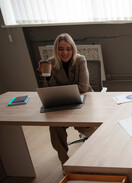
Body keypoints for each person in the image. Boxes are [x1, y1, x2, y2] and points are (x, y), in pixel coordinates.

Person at [37, 33, 96, 165]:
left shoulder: (80, 60)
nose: (64, 53)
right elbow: (49, 89)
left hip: (83, 101)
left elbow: (83, 87)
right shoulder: (50, 63)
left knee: (92, 129)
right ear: (56, 50)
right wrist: (46, 76)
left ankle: (99, 155)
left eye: (68, 49)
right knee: (55, 127)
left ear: (73, 49)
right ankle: (64, 162)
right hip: (62, 104)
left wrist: (61, 89)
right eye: (61, 49)